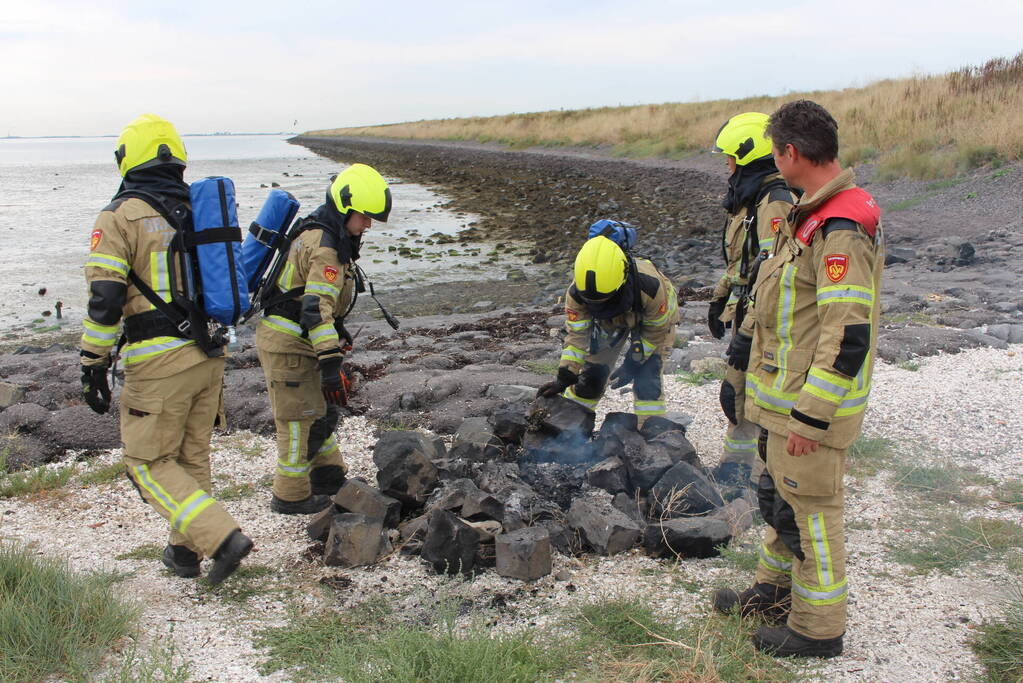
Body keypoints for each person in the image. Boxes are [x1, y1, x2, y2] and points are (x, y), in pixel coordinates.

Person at [713, 100, 884, 658]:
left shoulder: (840, 227)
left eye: (775, 153)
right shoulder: (808, 214)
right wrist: (742, 353)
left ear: (790, 153)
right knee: (781, 502)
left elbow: (846, 334)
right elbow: (782, 305)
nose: (772, 165)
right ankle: (771, 593)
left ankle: (817, 629)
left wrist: (812, 415)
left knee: (812, 514)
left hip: (807, 409)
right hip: (780, 398)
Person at [80, 113, 251, 584]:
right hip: (210, 354)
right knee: (191, 456)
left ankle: (221, 538)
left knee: (147, 462)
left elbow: (105, 299)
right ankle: (184, 554)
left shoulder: (118, 217)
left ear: (127, 160)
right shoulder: (199, 209)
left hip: (158, 362)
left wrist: (93, 362)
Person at [255, 163, 391, 514]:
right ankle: (290, 495)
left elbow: (317, 304)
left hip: (301, 341)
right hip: (289, 345)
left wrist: (334, 341)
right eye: (364, 217)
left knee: (319, 412)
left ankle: (329, 477)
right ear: (345, 207)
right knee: (297, 421)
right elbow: (316, 308)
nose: (368, 224)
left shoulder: (330, 234)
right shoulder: (326, 246)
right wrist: (331, 362)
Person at [708, 113, 796, 479]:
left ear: (749, 158)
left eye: (730, 157)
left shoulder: (774, 203)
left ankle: (766, 480)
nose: (727, 165)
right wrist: (720, 297)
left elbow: (773, 276)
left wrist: (745, 333)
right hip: (747, 309)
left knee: (755, 396)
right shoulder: (751, 199)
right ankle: (735, 469)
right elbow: (744, 264)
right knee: (738, 395)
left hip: (765, 319)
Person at [537, 233, 679, 425]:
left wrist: (633, 362)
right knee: (592, 376)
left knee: (648, 376)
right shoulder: (577, 293)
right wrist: (566, 374)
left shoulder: (651, 287)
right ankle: (570, 424)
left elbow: (655, 331)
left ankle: (652, 432)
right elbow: (577, 336)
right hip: (607, 322)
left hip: (652, 319)